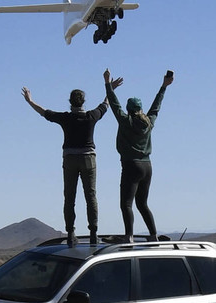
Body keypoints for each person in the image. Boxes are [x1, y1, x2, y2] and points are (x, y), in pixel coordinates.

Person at [23, 74, 112, 246]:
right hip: (88, 159)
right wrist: (110, 87)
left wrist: (30, 101)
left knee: (69, 196)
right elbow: (105, 105)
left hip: (70, 159)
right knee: (91, 195)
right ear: (83, 101)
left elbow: (45, 113)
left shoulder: (65, 118)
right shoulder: (91, 116)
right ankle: (93, 232)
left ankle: (71, 233)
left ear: (70, 102)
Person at [107, 68, 174, 242]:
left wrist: (108, 85)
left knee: (126, 203)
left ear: (129, 109)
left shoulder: (125, 120)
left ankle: (128, 235)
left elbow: (114, 105)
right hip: (147, 166)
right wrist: (163, 86)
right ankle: (153, 235)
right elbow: (156, 107)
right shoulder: (148, 122)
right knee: (142, 203)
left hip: (131, 165)